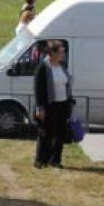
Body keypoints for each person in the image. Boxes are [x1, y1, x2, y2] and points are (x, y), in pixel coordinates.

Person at [32, 40, 72, 169]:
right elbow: (38, 89)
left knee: (60, 134)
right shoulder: (43, 67)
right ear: (52, 52)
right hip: (49, 105)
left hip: (63, 104)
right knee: (46, 133)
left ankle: (55, 160)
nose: (63, 54)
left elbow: (66, 83)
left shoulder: (62, 65)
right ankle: (40, 160)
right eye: (61, 51)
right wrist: (40, 108)